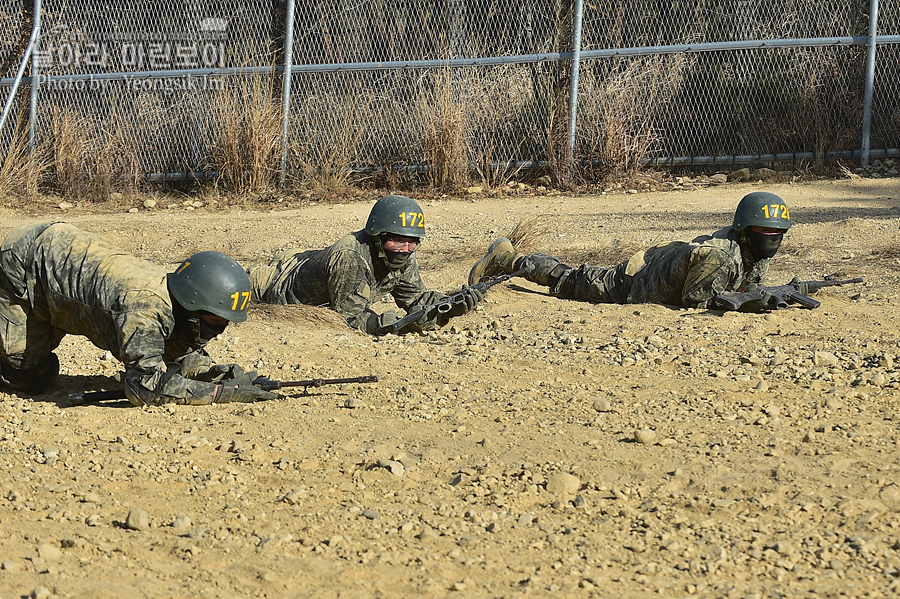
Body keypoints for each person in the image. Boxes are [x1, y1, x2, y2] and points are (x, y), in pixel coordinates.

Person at [0, 222, 276, 405]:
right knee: (27, 377)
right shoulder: (143, 308)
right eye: (216, 320)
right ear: (193, 303)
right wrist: (221, 395)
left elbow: (176, 343)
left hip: (62, 255)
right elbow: (144, 387)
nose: (220, 329)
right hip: (27, 261)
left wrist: (214, 374)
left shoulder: (178, 294)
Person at [468, 191, 793, 309]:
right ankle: (506, 259)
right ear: (745, 230)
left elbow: (747, 285)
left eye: (779, 233)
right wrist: (755, 302)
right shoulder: (721, 256)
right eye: (765, 231)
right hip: (633, 282)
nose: (773, 238)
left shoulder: (750, 251)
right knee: (569, 280)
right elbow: (697, 302)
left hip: (659, 265)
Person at [248, 194, 483, 335]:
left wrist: (450, 305)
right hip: (274, 288)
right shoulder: (351, 257)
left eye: (412, 242)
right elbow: (350, 319)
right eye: (397, 240)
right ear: (377, 236)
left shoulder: (402, 255)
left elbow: (415, 299)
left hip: (305, 261)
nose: (405, 248)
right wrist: (391, 324)